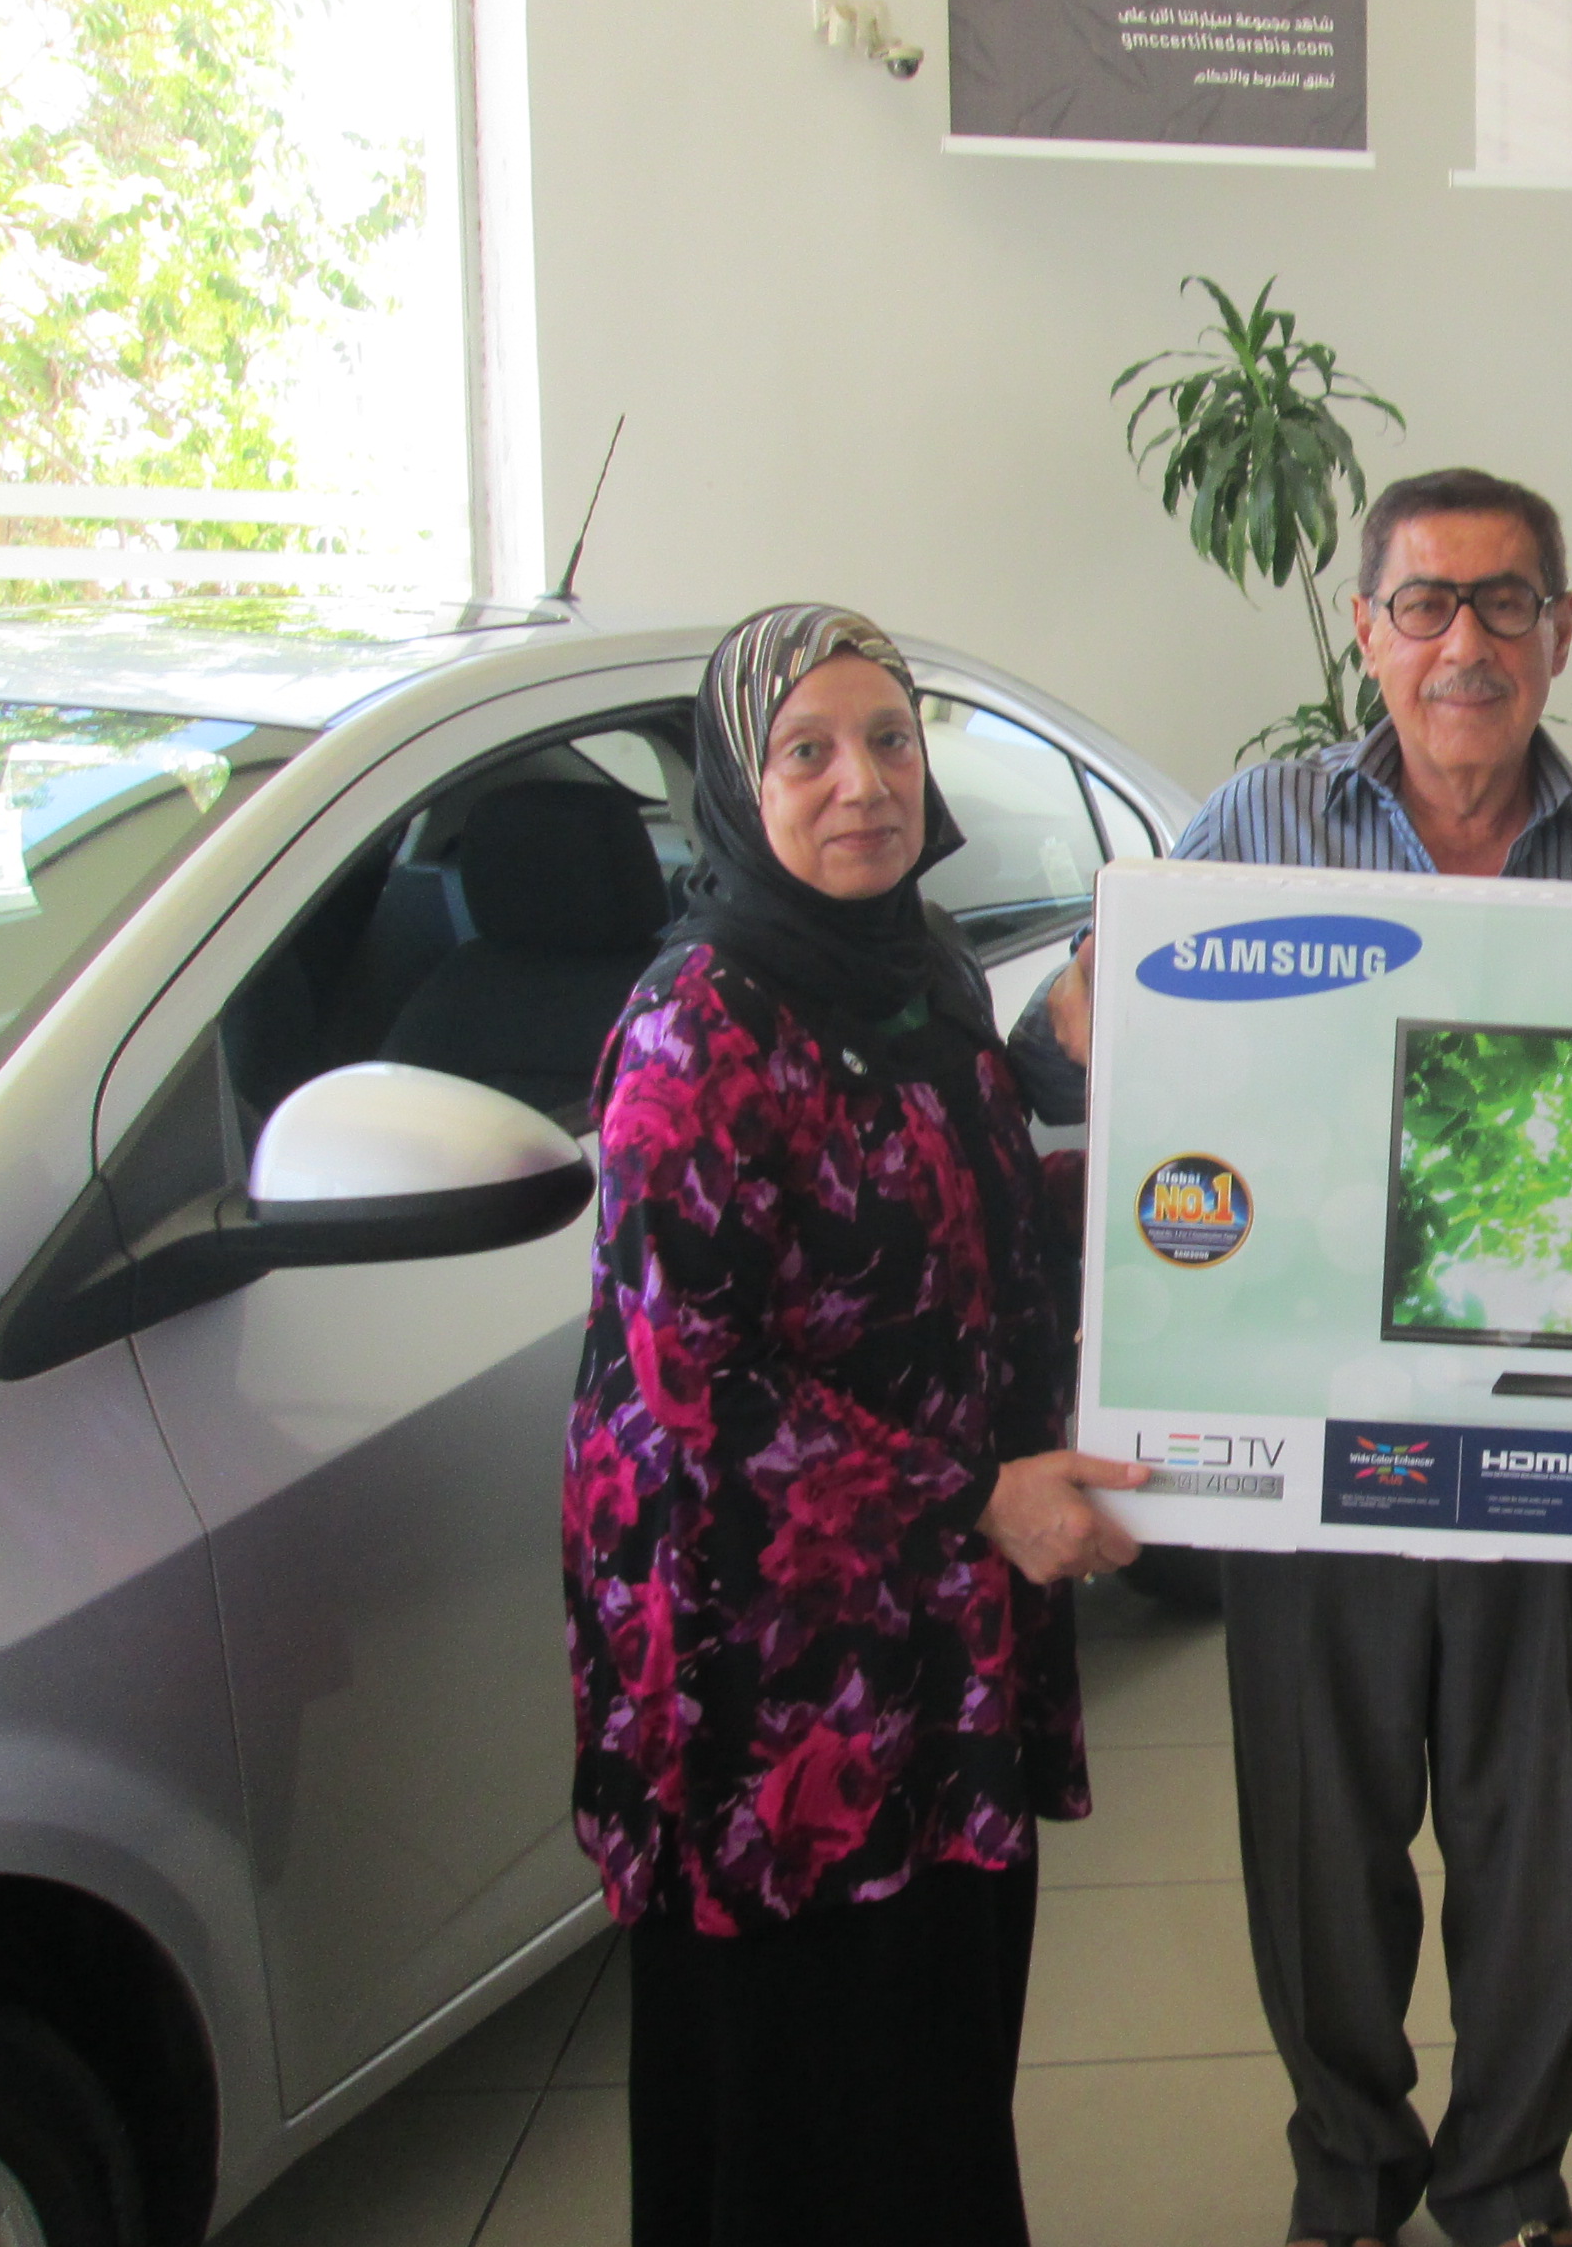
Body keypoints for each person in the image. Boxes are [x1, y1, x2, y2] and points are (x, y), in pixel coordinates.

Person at [1015, 469, 1572, 2247]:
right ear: (1366, 632)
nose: (1465, 643)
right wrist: (1093, 995)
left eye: (1505, 603)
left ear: (1563, 631)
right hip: (1303, 1439)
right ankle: (1349, 2172)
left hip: (1554, 1441)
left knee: (1535, 1844)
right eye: (1426, 604)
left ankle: (1509, 2186)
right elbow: (1081, 1034)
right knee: (1318, 1847)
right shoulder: (1256, 821)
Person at [564, 603, 1146, 2247]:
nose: (863, 785)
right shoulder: (698, 1029)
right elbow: (697, 1393)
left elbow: (954, 1218)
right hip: (774, 1673)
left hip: (935, 1635)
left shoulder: (919, 965)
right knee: (799, 2084)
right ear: (734, 783)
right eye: (806, 751)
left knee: (935, 2046)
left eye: (890, 741)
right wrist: (977, 1500)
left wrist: (1170, 1216)